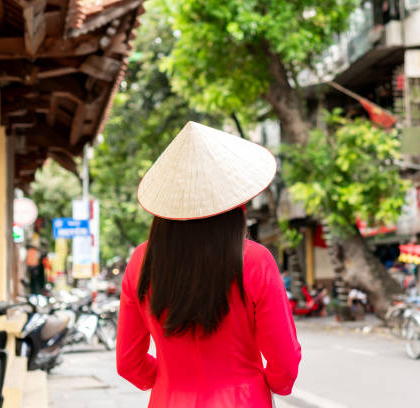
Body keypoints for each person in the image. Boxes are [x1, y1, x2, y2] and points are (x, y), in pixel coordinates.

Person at [116, 122, 301, 407]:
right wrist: (268, 385)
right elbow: (284, 362)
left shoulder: (141, 261)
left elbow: (129, 363)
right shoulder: (254, 260)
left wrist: (170, 381)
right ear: (235, 202)